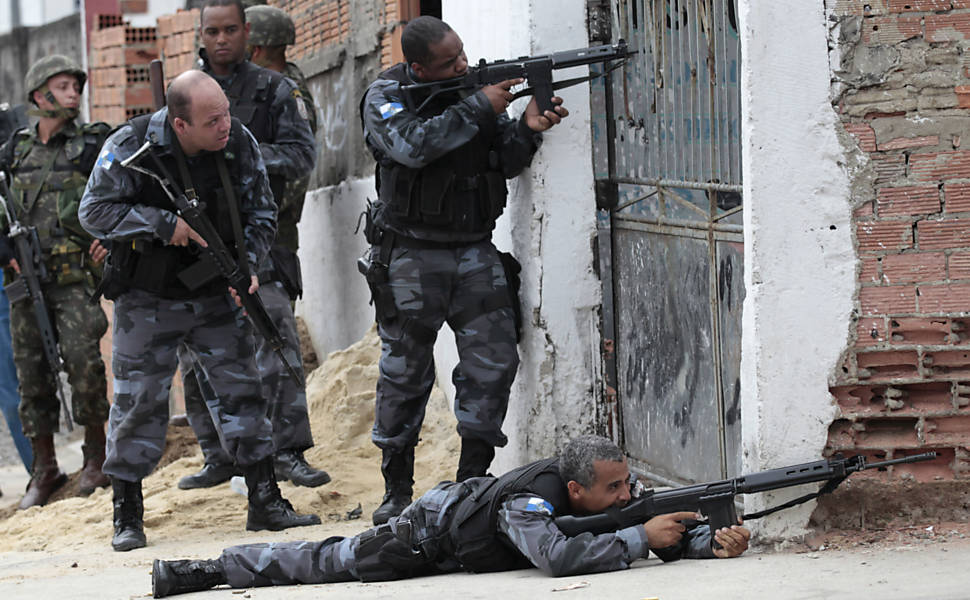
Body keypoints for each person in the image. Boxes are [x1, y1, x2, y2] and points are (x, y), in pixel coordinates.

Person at [79, 70, 320, 552]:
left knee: (243, 394)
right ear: (180, 124)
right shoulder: (130, 143)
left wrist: (247, 267)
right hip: (146, 299)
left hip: (213, 292)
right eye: (213, 120)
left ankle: (265, 500)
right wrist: (164, 224)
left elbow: (261, 212)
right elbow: (94, 211)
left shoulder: (239, 142)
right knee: (137, 405)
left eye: (227, 112)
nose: (225, 124)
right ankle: (127, 512)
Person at [359, 16, 568, 525]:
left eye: (462, 56)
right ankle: (396, 490)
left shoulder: (468, 89)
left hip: (474, 251)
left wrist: (526, 128)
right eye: (449, 63)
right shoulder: (386, 95)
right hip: (410, 254)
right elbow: (411, 147)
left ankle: (470, 483)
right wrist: (479, 105)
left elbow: (503, 159)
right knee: (405, 372)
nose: (462, 66)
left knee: (493, 365)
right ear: (417, 67)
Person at [150, 434, 751, 597]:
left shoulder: (607, 492)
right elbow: (558, 557)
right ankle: (206, 571)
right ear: (575, 487)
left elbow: (646, 527)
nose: (628, 496)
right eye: (616, 488)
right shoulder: (529, 504)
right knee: (329, 561)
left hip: (465, 523)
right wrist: (639, 539)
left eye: (629, 484)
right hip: (430, 533)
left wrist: (705, 544)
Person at [174, 0, 328, 491]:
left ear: (247, 35)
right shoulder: (181, 93)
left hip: (264, 237)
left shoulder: (274, 89)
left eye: (231, 30)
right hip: (201, 242)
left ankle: (288, 451)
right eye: (212, 31)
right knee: (194, 351)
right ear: (201, 34)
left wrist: (234, 147)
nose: (221, 40)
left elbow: (302, 157)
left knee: (274, 335)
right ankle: (218, 456)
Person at [0, 55, 112, 509]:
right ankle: (44, 468)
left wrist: (110, 236)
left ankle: (96, 456)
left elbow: (121, 190)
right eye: (63, 86)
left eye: (76, 86)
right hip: (27, 280)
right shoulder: (13, 151)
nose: (73, 94)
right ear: (38, 94)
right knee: (31, 372)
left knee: (85, 363)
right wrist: (6, 254)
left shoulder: (92, 143)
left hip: (73, 278)